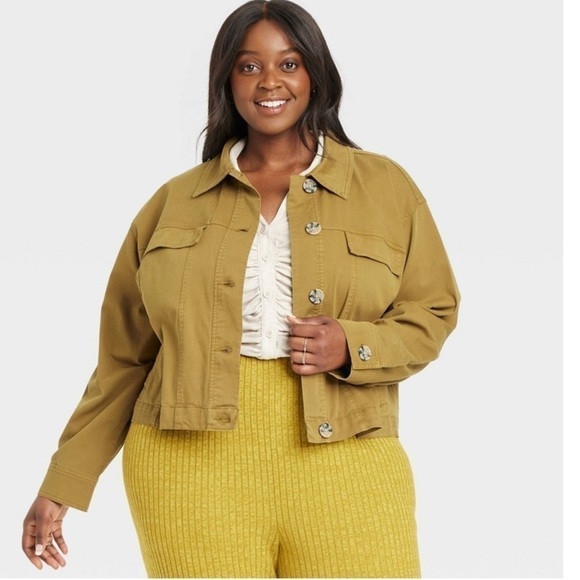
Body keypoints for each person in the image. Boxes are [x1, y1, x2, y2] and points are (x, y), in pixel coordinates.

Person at [21, 0, 460, 577]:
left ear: (315, 74)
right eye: (249, 66)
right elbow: (123, 360)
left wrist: (353, 346)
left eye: (289, 63)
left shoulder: (384, 187)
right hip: (187, 470)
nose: (270, 81)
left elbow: (433, 310)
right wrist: (63, 482)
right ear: (227, 81)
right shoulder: (175, 202)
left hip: (349, 455)